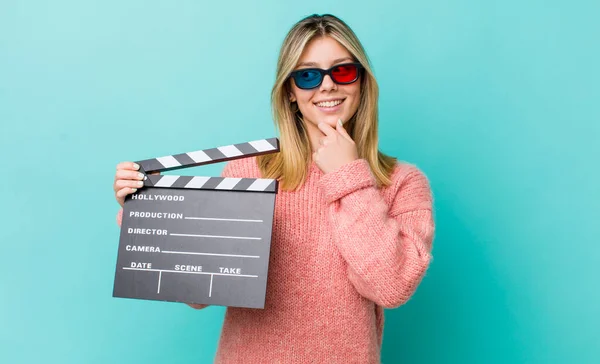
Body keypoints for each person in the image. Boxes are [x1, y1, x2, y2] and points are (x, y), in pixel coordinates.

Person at [113, 13, 435, 364]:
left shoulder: (402, 182)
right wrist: (144, 211)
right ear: (291, 92)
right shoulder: (246, 172)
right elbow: (198, 294)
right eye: (308, 75)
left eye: (342, 71)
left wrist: (349, 177)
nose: (327, 86)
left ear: (361, 82)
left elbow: (390, 285)